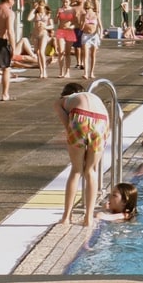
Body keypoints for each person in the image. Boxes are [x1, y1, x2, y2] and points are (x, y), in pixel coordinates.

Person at [54, 82, 110, 226]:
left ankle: (66, 217)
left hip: (80, 117)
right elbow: (108, 128)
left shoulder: (61, 101)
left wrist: (74, 142)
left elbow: (68, 127)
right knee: (91, 170)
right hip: (102, 121)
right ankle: (88, 218)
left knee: (76, 170)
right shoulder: (95, 98)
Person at [78, 0, 103, 80]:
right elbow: (81, 28)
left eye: (88, 8)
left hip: (94, 35)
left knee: (93, 55)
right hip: (85, 35)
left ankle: (91, 72)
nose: (87, 10)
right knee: (85, 54)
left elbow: (100, 26)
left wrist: (101, 33)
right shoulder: (83, 16)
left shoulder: (96, 14)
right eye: (85, 9)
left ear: (91, 8)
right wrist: (84, 21)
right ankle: (85, 73)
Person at [54, 0, 78, 77]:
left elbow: (76, 22)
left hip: (69, 31)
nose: (65, 3)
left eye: (66, 2)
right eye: (63, 2)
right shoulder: (59, 9)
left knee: (67, 53)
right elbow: (55, 22)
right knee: (61, 51)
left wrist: (72, 26)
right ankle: (61, 71)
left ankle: (67, 71)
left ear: (70, 2)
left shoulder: (72, 10)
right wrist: (57, 15)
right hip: (61, 30)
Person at [29, 0, 53, 79]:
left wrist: (45, 26)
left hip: (43, 34)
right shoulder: (36, 14)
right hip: (36, 34)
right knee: (38, 52)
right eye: (39, 6)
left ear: (44, 6)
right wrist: (33, 9)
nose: (40, 7)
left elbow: (52, 26)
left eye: (42, 6)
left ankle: (45, 70)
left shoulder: (48, 15)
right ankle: (41, 70)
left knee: (42, 51)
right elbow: (29, 18)